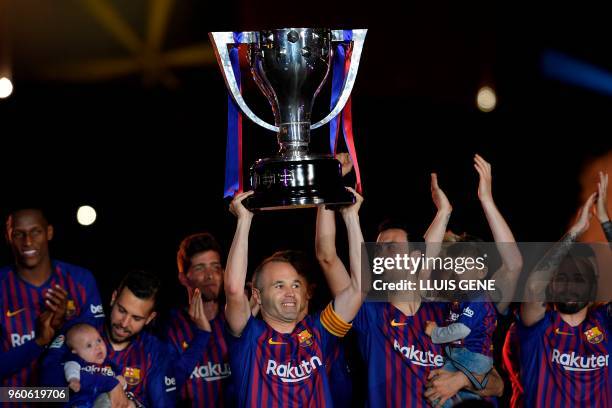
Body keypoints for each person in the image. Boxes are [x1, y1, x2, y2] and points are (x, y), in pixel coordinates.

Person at [224, 188, 365, 406]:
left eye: (296, 284)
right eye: (279, 285)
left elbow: (358, 288)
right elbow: (233, 290)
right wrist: (244, 221)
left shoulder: (319, 332)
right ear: (257, 296)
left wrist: (351, 217)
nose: (290, 292)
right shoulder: (249, 337)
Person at [43, 269, 211, 407]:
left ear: (150, 318)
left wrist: (133, 405)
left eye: (136, 318)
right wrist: (106, 384)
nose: (124, 323)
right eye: (121, 310)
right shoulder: (78, 331)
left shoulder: (153, 351)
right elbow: (42, 393)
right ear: (113, 298)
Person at [520, 192, 610, 407]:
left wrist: (605, 221)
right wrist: (576, 231)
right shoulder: (539, 327)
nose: (569, 286)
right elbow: (533, 286)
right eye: (561, 278)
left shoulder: (605, 321)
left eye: (578, 280)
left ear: (593, 288)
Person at [0, 206, 104, 388]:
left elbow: (100, 352)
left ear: (49, 232)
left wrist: (64, 325)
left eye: (36, 231)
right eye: (19, 234)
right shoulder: (2, 285)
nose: (28, 241)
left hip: (72, 398)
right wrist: (39, 342)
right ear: (8, 237)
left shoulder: (80, 280)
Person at [165, 232, 232, 406]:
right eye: (200, 268)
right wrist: (202, 336)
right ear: (183, 278)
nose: (210, 275)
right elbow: (168, 387)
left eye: (215, 267)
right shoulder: (170, 326)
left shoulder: (234, 320)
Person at [63, 323, 128, 407]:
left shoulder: (110, 364)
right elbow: (71, 367)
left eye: (99, 340)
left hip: (105, 400)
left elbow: (119, 380)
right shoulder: (79, 363)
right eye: (89, 345)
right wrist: (73, 379)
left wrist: (122, 382)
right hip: (83, 400)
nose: (98, 346)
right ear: (75, 351)